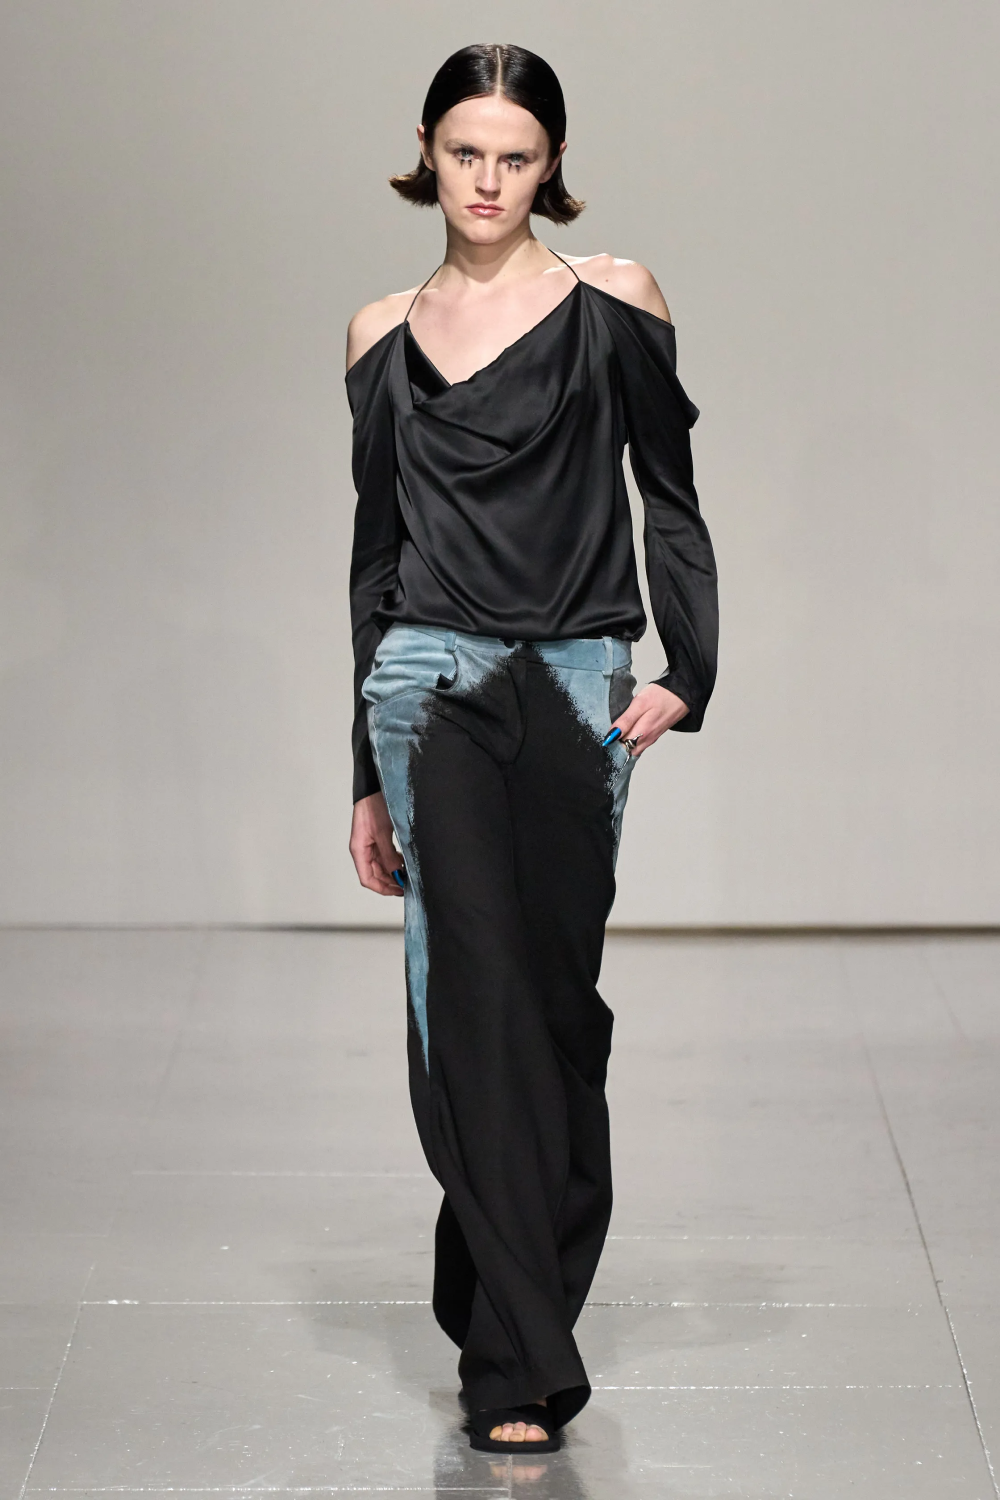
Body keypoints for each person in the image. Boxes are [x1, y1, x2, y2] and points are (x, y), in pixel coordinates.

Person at [345, 42, 718, 1456]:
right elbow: (372, 558)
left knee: (556, 1012)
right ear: (427, 154)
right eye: (466, 154)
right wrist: (363, 771)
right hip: (426, 683)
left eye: (516, 157)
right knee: (469, 1003)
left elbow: (669, 493)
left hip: (573, 684)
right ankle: (514, 1362)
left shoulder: (616, 302)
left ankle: (493, 1283)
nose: (489, 182)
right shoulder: (379, 333)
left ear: (552, 164)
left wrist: (690, 670)